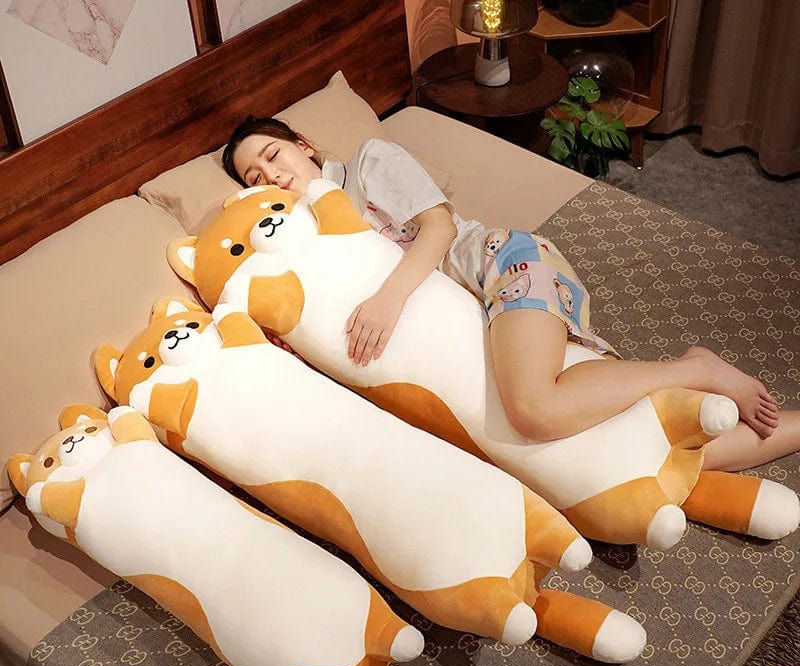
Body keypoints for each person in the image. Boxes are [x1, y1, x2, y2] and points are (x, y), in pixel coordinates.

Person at [221, 118, 800, 472]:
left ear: (304, 144)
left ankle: (692, 369)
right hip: (475, 330)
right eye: (255, 179)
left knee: (535, 411)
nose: (271, 176)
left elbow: (439, 228)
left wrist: (389, 300)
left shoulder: (370, 162)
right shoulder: (308, 241)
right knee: (646, 450)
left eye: (272, 155)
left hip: (501, 267)